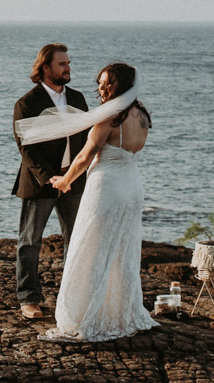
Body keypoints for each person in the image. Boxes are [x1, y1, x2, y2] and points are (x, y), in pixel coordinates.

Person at [27, 62, 157, 343]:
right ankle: (121, 311)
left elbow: (85, 156)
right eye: (99, 82)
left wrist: (65, 181)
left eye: (107, 83)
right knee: (122, 250)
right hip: (132, 186)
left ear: (120, 84)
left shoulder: (109, 118)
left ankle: (86, 314)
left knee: (90, 248)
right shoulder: (142, 115)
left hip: (107, 186)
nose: (100, 88)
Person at [11, 43, 91, 321]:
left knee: (76, 240)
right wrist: (51, 178)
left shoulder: (79, 99)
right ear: (46, 68)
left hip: (75, 181)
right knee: (30, 241)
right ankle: (29, 298)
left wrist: (75, 175)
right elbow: (26, 149)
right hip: (40, 183)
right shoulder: (27, 103)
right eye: (62, 64)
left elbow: (88, 140)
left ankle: (71, 299)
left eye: (68, 63)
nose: (68, 68)